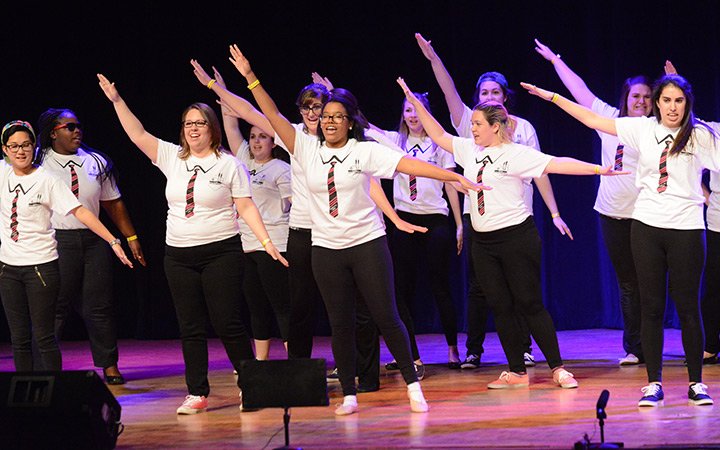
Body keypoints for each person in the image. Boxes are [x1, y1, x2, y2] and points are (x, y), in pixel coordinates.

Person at [227, 44, 485, 415]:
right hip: (326, 248)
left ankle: (414, 388)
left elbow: (411, 165)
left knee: (386, 314)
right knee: (339, 322)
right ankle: (348, 393)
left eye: (337, 115)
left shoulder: (365, 151)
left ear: (349, 120)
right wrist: (251, 77)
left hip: (366, 243)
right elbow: (268, 112)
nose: (329, 121)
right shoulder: (303, 148)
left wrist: (454, 178)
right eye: (325, 116)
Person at [190, 60, 426, 392]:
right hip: (303, 231)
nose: (312, 114)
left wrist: (393, 217)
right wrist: (218, 87)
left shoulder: (348, 140)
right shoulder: (294, 136)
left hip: (345, 233)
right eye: (307, 107)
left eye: (318, 107)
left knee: (363, 309)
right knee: (299, 308)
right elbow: (250, 112)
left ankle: (366, 376)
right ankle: (301, 379)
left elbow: (370, 182)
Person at [397, 77, 628, 390]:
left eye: (478, 123)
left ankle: (558, 368)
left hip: (517, 238)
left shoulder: (516, 153)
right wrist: (414, 98)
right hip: (484, 242)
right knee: (500, 306)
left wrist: (601, 170)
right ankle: (517, 371)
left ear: (496, 126)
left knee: (529, 303)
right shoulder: (469, 150)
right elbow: (438, 134)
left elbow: (557, 164)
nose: (473, 128)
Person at [97, 73, 288, 415]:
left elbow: (245, 205)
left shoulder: (229, 164)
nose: (193, 128)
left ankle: (251, 384)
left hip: (221, 252)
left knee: (227, 321)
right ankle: (197, 392)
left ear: (212, 127)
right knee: (190, 326)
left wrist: (265, 241)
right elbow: (137, 134)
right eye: (188, 123)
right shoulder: (172, 157)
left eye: (200, 122)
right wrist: (117, 101)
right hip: (179, 255)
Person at [521, 74, 717, 406]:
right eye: (666, 100)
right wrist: (552, 97)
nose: (672, 107)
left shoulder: (700, 135)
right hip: (647, 226)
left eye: (679, 101)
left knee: (687, 308)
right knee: (651, 307)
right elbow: (590, 117)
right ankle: (653, 383)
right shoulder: (641, 128)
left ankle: (696, 383)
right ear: (657, 103)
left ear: (688, 104)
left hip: (687, 228)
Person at [416, 33, 573, 369]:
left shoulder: (523, 130)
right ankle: (476, 350)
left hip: (516, 219)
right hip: (480, 218)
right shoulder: (470, 131)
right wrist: (433, 60)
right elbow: (449, 94)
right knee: (483, 289)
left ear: (505, 99)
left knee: (523, 293)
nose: (488, 97)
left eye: (495, 92)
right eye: (483, 93)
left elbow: (543, 169)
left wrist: (555, 211)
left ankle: (532, 351)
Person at [534, 39, 652, 366]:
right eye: (635, 96)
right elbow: (580, 91)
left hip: (646, 216)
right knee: (628, 284)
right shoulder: (609, 118)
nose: (641, 101)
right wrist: (556, 60)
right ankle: (635, 347)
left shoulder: (656, 128)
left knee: (650, 283)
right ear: (626, 99)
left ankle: (652, 342)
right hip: (612, 214)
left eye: (646, 96)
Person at [0, 120, 132, 373]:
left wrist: (113, 240)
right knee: (18, 338)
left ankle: (50, 395)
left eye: (26, 145)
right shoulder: (2, 172)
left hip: (41, 266)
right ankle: (25, 397)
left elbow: (80, 211)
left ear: (34, 145)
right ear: (5, 149)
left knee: (44, 336)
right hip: (8, 269)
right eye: (13, 146)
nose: (20, 151)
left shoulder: (47, 179)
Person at [34, 108, 146, 384]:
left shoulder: (95, 160)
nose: (77, 131)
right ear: (53, 132)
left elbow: (113, 202)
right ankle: (45, 369)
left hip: (94, 240)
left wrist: (130, 237)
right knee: (56, 306)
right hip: (56, 239)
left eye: (78, 126)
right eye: (69, 127)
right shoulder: (39, 161)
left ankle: (109, 365)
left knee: (99, 305)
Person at [367, 92, 463, 371]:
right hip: (404, 219)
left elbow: (450, 184)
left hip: (435, 220)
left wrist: (458, 224)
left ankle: (452, 349)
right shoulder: (394, 141)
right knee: (402, 290)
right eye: (408, 110)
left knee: (440, 286)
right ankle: (407, 353)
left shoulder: (438, 143)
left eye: (417, 110)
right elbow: (365, 125)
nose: (412, 116)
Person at [217, 83, 292, 360]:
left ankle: (295, 363)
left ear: (274, 142)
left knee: (282, 306)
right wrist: (224, 94)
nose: (257, 141)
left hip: (274, 244)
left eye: (263, 136)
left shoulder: (281, 169)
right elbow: (231, 127)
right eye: (253, 137)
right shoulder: (243, 161)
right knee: (256, 307)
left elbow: (292, 206)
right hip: (247, 246)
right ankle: (260, 364)